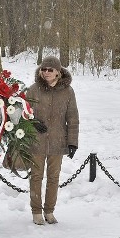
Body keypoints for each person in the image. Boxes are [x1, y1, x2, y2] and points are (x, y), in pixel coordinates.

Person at [25, 56, 79, 225]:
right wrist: (33, 122)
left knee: (53, 177)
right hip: (37, 141)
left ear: (58, 72)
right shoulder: (33, 89)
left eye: (50, 70)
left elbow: (73, 117)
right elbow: (24, 114)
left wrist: (72, 142)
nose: (46, 72)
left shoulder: (68, 91)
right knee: (36, 176)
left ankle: (49, 210)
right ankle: (36, 211)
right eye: (43, 69)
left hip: (58, 140)